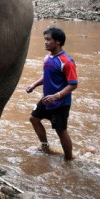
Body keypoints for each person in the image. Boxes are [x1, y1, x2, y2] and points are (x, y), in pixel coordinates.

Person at [25, 27, 78, 160]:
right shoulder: (48, 57)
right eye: (45, 40)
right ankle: (45, 147)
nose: (46, 42)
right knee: (34, 119)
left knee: (61, 131)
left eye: (48, 40)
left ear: (58, 42)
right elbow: (47, 76)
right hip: (47, 100)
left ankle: (69, 159)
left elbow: (73, 84)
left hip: (60, 103)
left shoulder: (67, 62)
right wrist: (34, 85)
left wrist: (57, 96)